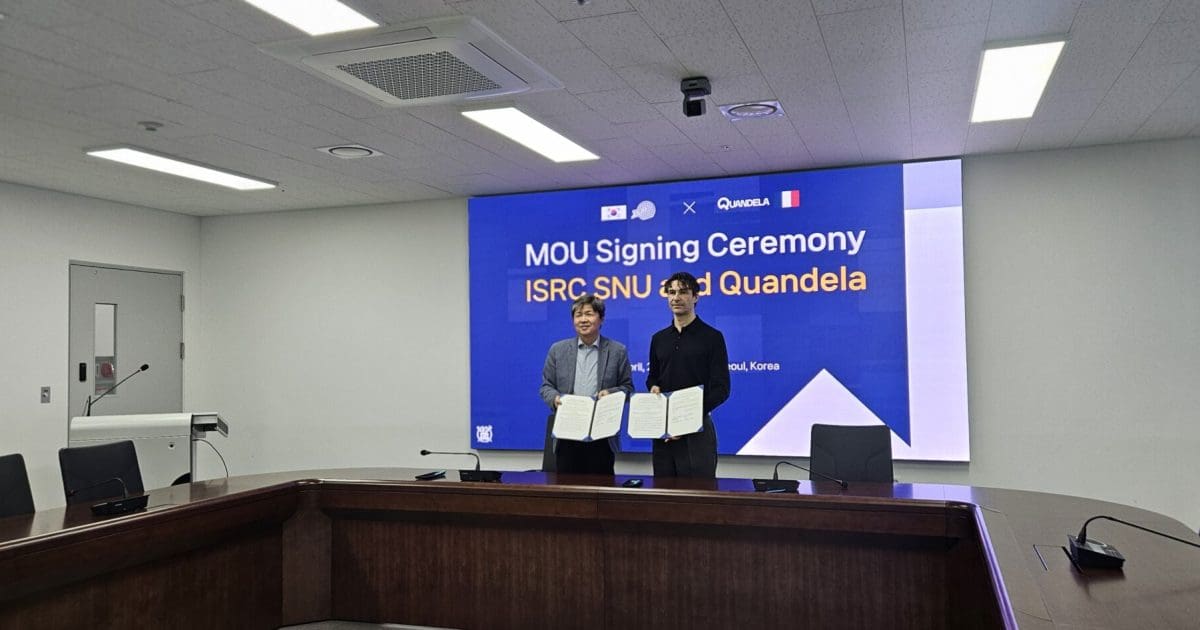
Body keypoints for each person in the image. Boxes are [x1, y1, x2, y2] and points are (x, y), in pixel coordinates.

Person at [646, 272, 730, 478]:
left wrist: (687, 418)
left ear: (695, 297)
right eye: (671, 292)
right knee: (664, 492)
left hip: (697, 429)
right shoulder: (658, 339)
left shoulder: (712, 337)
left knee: (699, 493)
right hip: (664, 430)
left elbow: (721, 389)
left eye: (683, 292)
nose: (676, 297)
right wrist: (653, 387)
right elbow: (653, 377)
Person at [539, 294, 634, 475]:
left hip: (602, 435)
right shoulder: (558, 350)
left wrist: (611, 393)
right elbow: (546, 386)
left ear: (601, 319)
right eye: (578, 315)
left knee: (600, 488)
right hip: (567, 433)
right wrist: (555, 398)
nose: (583, 320)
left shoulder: (617, 351)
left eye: (589, 314)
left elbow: (628, 389)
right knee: (567, 488)